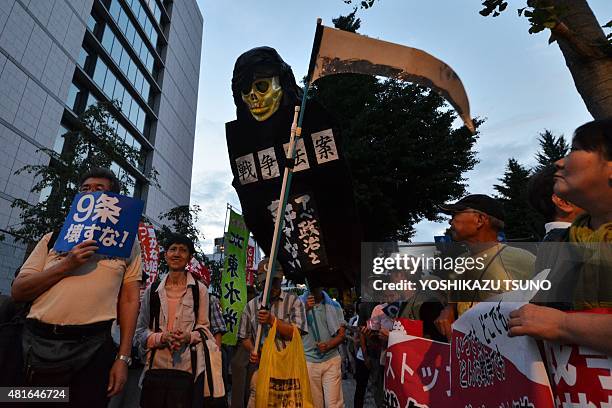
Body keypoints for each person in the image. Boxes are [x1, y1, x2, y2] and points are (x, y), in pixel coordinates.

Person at [11, 168, 141, 407]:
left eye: (99, 189)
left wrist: (123, 358)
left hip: (92, 352)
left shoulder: (128, 245)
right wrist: (68, 264)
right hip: (34, 346)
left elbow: (130, 300)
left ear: (113, 201)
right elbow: (19, 291)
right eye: (85, 189)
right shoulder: (53, 238)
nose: (90, 193)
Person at [509, 118, 612, 356]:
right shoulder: (565, 243)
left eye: (576, 149)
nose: (559, 162)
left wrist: (563, 325)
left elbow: (551, 321)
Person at [433, 194, 536, 340]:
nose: (450, 221)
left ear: (480, 220)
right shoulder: (459, 263)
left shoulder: (523, 260)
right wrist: (448, 310)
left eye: (456, 214)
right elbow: (454, 303)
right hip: (469, 355)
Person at [135, 233, 213, 407]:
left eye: (183, 250)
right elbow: (139, 332)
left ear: (189, 258)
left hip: (187, 370)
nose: (177, 254)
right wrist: (161, 338)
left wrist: (187, 337)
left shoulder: (199, 291)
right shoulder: (152, 291)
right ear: (165, 255)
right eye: (172, 249)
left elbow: (205, 330)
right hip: (155, 369)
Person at [237, 258, 307, 408]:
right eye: (266, 282)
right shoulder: (251, 306)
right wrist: (253, 350)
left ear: (281, 279)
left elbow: (297, 333)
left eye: (274, 281)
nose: (270, 287)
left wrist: (272, 320)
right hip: (262, 369)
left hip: (289, 372)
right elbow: (244, 336)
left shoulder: (294, 302)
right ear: (260, 282)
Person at [300, 287, 346, 408]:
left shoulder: (335, 305)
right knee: (313, 404)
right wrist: (304, 309)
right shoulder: (298, 303)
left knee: (334, 404)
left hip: (331, 360)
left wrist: (328, 345)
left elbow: (341, 335)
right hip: (308, 361)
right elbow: (291, 329)